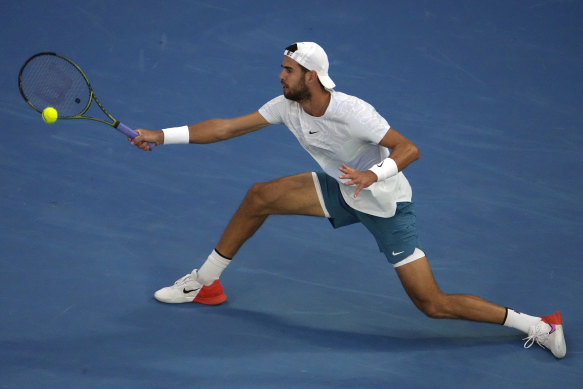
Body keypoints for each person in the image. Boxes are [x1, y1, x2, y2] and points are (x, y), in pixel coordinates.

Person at [131, 42, 566, 359]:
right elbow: (226, 127)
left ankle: (538, 326)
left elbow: (409, 149)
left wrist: (371, 175)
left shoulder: (353, 111)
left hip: (384, 204)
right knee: (259, 196)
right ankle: (205, 283)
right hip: (341, 188)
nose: (280, 76)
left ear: (311, 77)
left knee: (432, 304)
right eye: (281, 69)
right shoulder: (287, 107)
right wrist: (161, 136)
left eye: (287, 70)